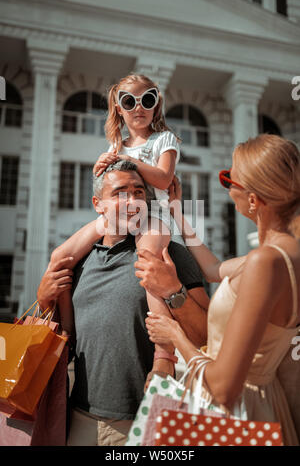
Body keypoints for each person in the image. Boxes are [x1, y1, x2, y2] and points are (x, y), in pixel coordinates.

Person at [140, 134, 300, 446]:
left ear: (253, 199)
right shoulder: (286, 255)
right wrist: (177, 211)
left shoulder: (264, 262)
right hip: (268, 403)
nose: (226, 187)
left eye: (229, 178)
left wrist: (176, 336)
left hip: (236, 413)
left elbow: (224, 386)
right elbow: (213, 270)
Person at [37, 160, 209, 446]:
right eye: (119, 193)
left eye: (139, 192)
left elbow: (206, 335)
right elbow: (64, 343)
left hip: (145, 419)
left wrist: (173, 292)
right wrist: (44, 301)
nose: (132, 201)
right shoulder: (80, 261)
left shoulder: (170, 254)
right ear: (98, 204)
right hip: (80, 416)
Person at [49, 73, 182, 372]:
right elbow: (104, 184)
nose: (139, 107)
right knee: (60, 257)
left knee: (148, 262)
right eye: (129, 101)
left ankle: (163, 354)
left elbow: (163, 178)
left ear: (156, 105)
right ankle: (66, 337)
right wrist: (102, 165)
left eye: (147, 100)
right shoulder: (116, 143)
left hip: (152, 215)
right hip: (116, 216)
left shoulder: (164, 139)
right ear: (118, 108)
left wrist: (128, 160)